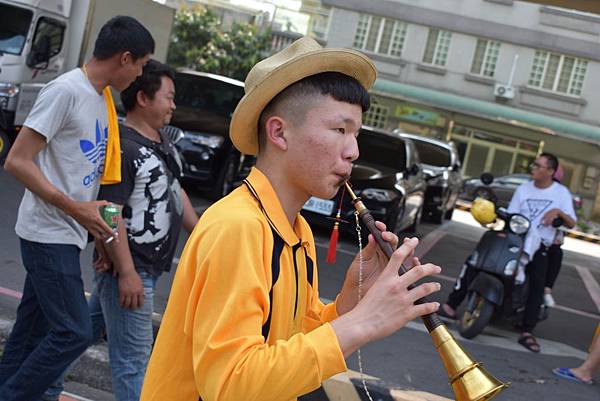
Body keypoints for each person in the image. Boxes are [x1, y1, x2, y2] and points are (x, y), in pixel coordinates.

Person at [140, 37, 442, 401]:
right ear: (279, 132)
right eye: (339, 130)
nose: (353, 151)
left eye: (356, 133)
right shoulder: (237, 227)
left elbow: (291, 343)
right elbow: (230, 385)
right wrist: (363, 322)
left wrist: (351, 301)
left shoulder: (295, 229)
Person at [0, 16, 154, 401]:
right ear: (125, 57)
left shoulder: (99, 99)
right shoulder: (65, 90)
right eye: (141, 65)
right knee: (73, 331)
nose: (140, 75)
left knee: (28, 335)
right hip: (46, 231)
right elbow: (17, 161)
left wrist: (101, 237)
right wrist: (76, 210)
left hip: (66, 234)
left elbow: (84, 181)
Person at [89, 59, 199, 401]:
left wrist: (204, 233)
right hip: (133, 272)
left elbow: (175, 190)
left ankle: (37, 386)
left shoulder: (161, 143)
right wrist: (125, 272)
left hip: (139, 269)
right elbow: (109, 211)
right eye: (169, 97)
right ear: (144, 100)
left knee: (74, 335)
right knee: (133, 363)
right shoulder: (124, 147)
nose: (173, 105)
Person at [439, 153, 576, 353]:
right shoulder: (523, 189)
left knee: (538, 279)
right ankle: (451, 305)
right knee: (476, 260)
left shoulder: (561, 193)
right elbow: (512, 214)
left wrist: (558, 213)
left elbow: (571, 223)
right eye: (534, 164)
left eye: (538, 166)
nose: (533, 168)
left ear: (550, 171)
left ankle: (527, 330)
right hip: (516, 238)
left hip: (541, 245)